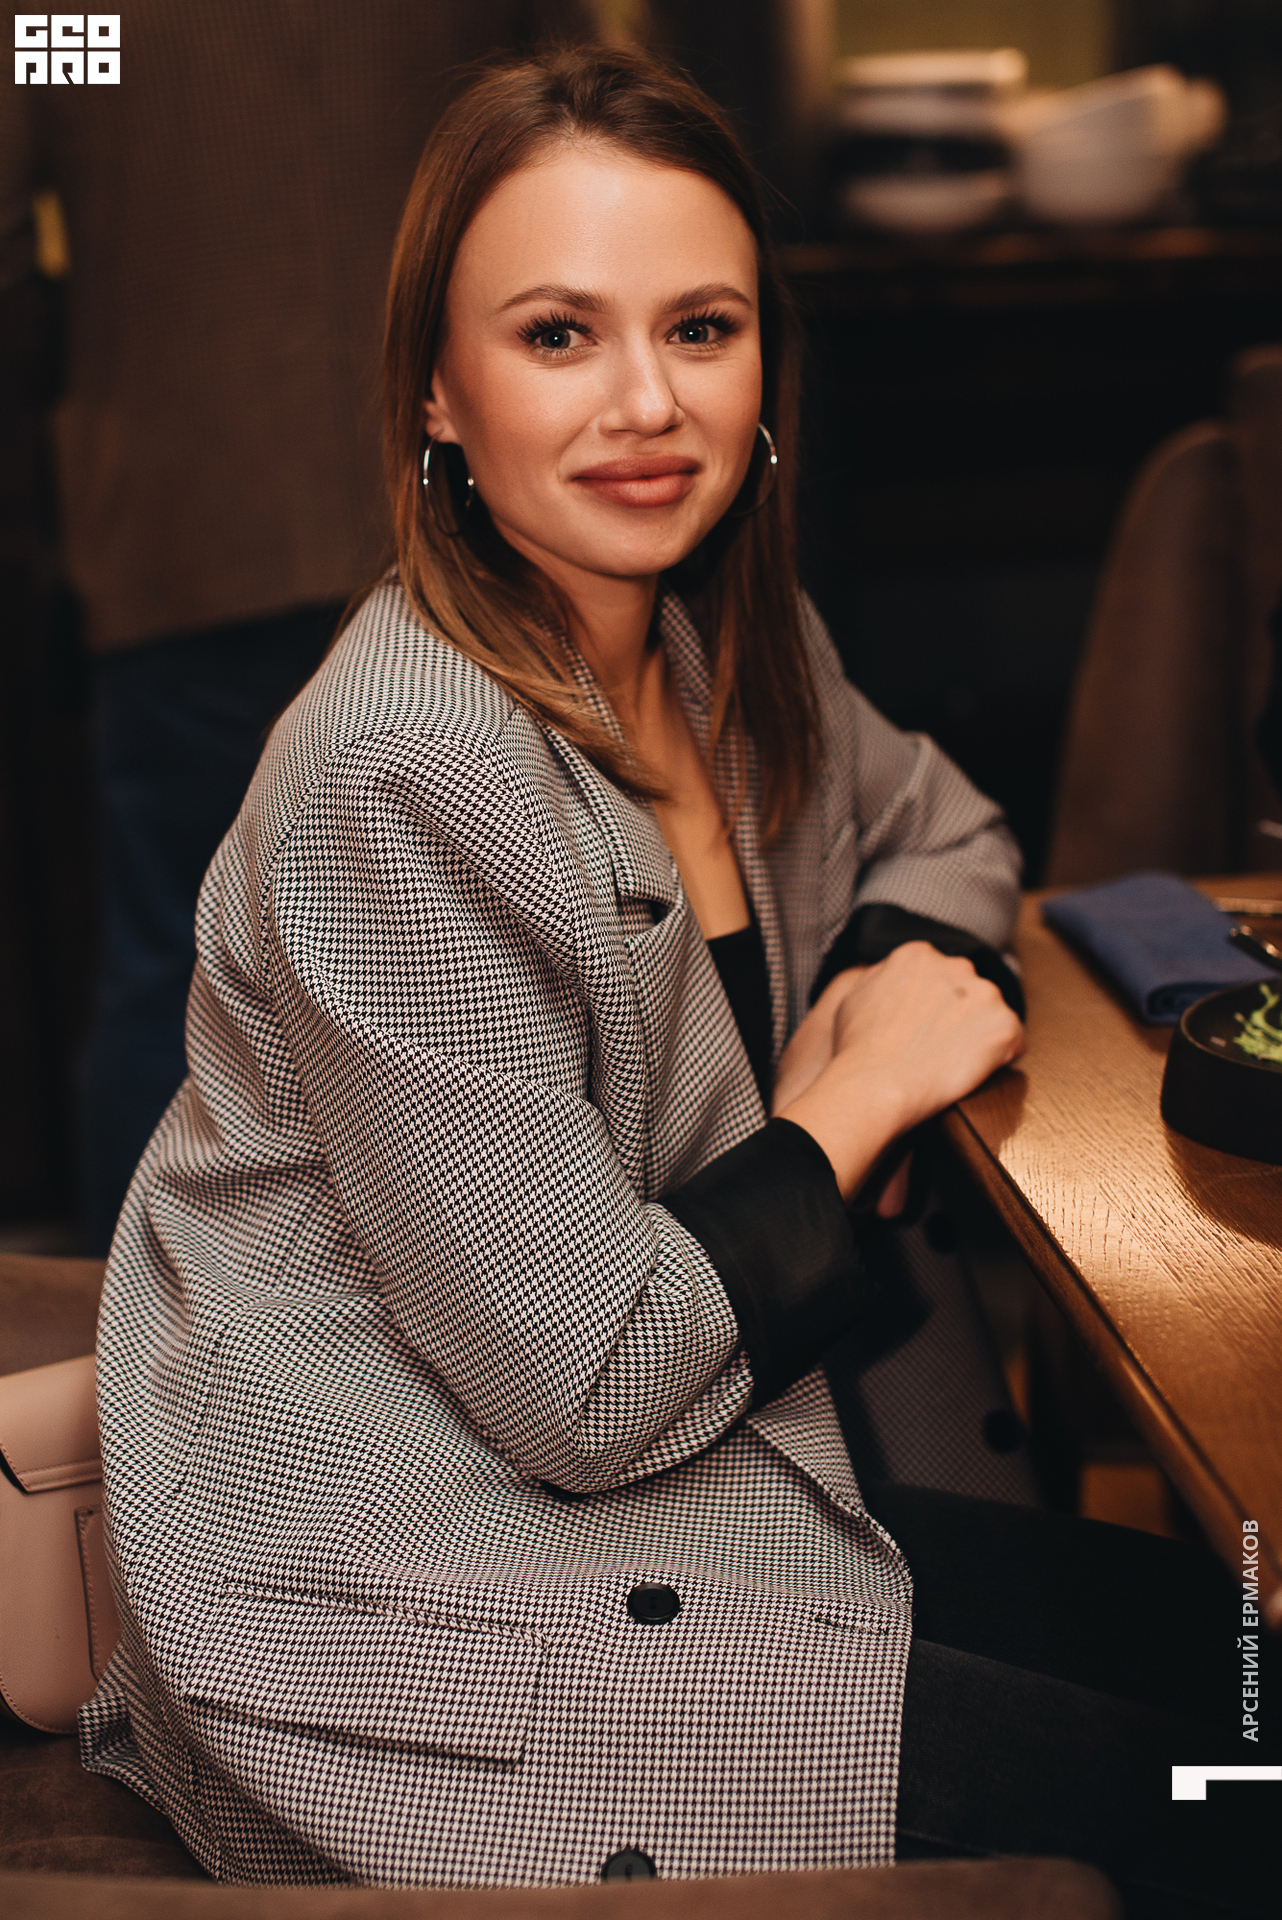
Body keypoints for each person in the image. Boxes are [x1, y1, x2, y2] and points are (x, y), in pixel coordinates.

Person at [84, 45, 1273, 1914]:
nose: (645, 404)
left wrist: (873, 977)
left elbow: (946, 828)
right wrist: (848, 1102)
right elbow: (589, 1384)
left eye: (700, 329)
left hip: (708, 1479)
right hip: (427, 1591)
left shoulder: (720, 645)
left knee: (1240, 1668)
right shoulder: (403, 769)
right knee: (1223, 1811)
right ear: (436, 392)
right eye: (558, 335)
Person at [1, 0, 592, 1253]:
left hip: (190, 517)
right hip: (462, 514)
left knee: (173, 970)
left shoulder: (78, 21)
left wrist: (101, 351)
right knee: (482, 958)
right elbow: (577, 127)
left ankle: (141, 1331)